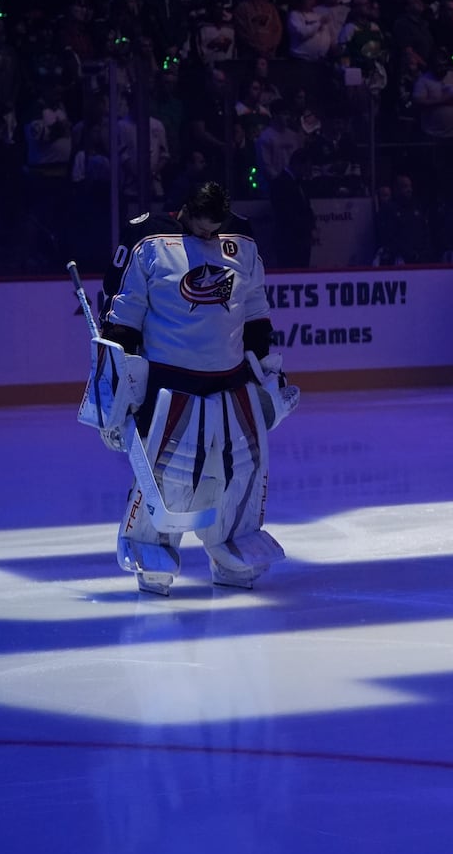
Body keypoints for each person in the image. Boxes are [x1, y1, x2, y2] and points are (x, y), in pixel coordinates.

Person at [89, 182, 297, 595]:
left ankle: (233, 550)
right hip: (171, 383)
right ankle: (152, 554)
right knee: (170, 477)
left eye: (214, 230)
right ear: (185, 210)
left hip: (232, 381)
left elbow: (254, 304)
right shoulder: (147, 238)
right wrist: (117, 381)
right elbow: (124, 313)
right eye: (202, 229)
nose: (208, 237)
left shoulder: (240, 237)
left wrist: (263, 362)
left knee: (243, 471)